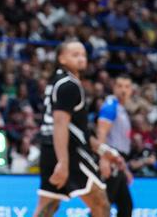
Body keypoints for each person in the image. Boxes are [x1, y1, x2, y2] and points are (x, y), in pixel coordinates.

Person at [34, 40, 115, 217]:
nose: (81, 58)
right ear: (61, 58)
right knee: (101, 205)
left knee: (46, 208)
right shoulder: (69, 85)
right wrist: (63, 162)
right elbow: (61, 124)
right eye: (75, 55)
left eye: (83, 55)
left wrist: (101, 149)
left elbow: (77, 127)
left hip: (50, 148)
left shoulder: (56, 80)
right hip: (68, 152)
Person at [96, 75, 134, 217]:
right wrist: (104, 158)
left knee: (125, 206)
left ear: (131, 90)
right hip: (110, 159)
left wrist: (125, 169)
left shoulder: (121, 108)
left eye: (127, 86)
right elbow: (101, 131)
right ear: (114, 88)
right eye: (120, 86)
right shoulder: (111, 105)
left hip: (118, 160)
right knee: (103, 204)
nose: (123, 90)